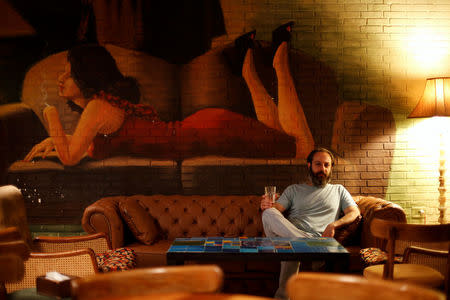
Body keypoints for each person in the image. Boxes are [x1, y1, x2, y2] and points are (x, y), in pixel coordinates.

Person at [24, 22, 314, 166]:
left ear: (86, 76)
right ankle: (247, 67)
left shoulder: (98, 107)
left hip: (210, 132)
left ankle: (279, 61)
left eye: (68, 72)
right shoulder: (100, 109)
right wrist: (56, 139)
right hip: (205, 130)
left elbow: (70, 158)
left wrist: (51, 115)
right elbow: (89, 144)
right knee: (276, 135)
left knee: (303, 150)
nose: (60, 79)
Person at [260, 147, 361, 299]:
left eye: (326, 165)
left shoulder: (338, 190)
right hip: (306, 241)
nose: (323, 169)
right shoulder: (294, 189)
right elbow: (276, 211)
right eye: (318, 164)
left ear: (331, 168)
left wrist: (333, 225)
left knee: (290, 245)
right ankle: (307, 245)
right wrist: (266, 204)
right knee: (268, 213)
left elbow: (354, 212)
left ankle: (282, 296)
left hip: (302, 240)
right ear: (309, 166)